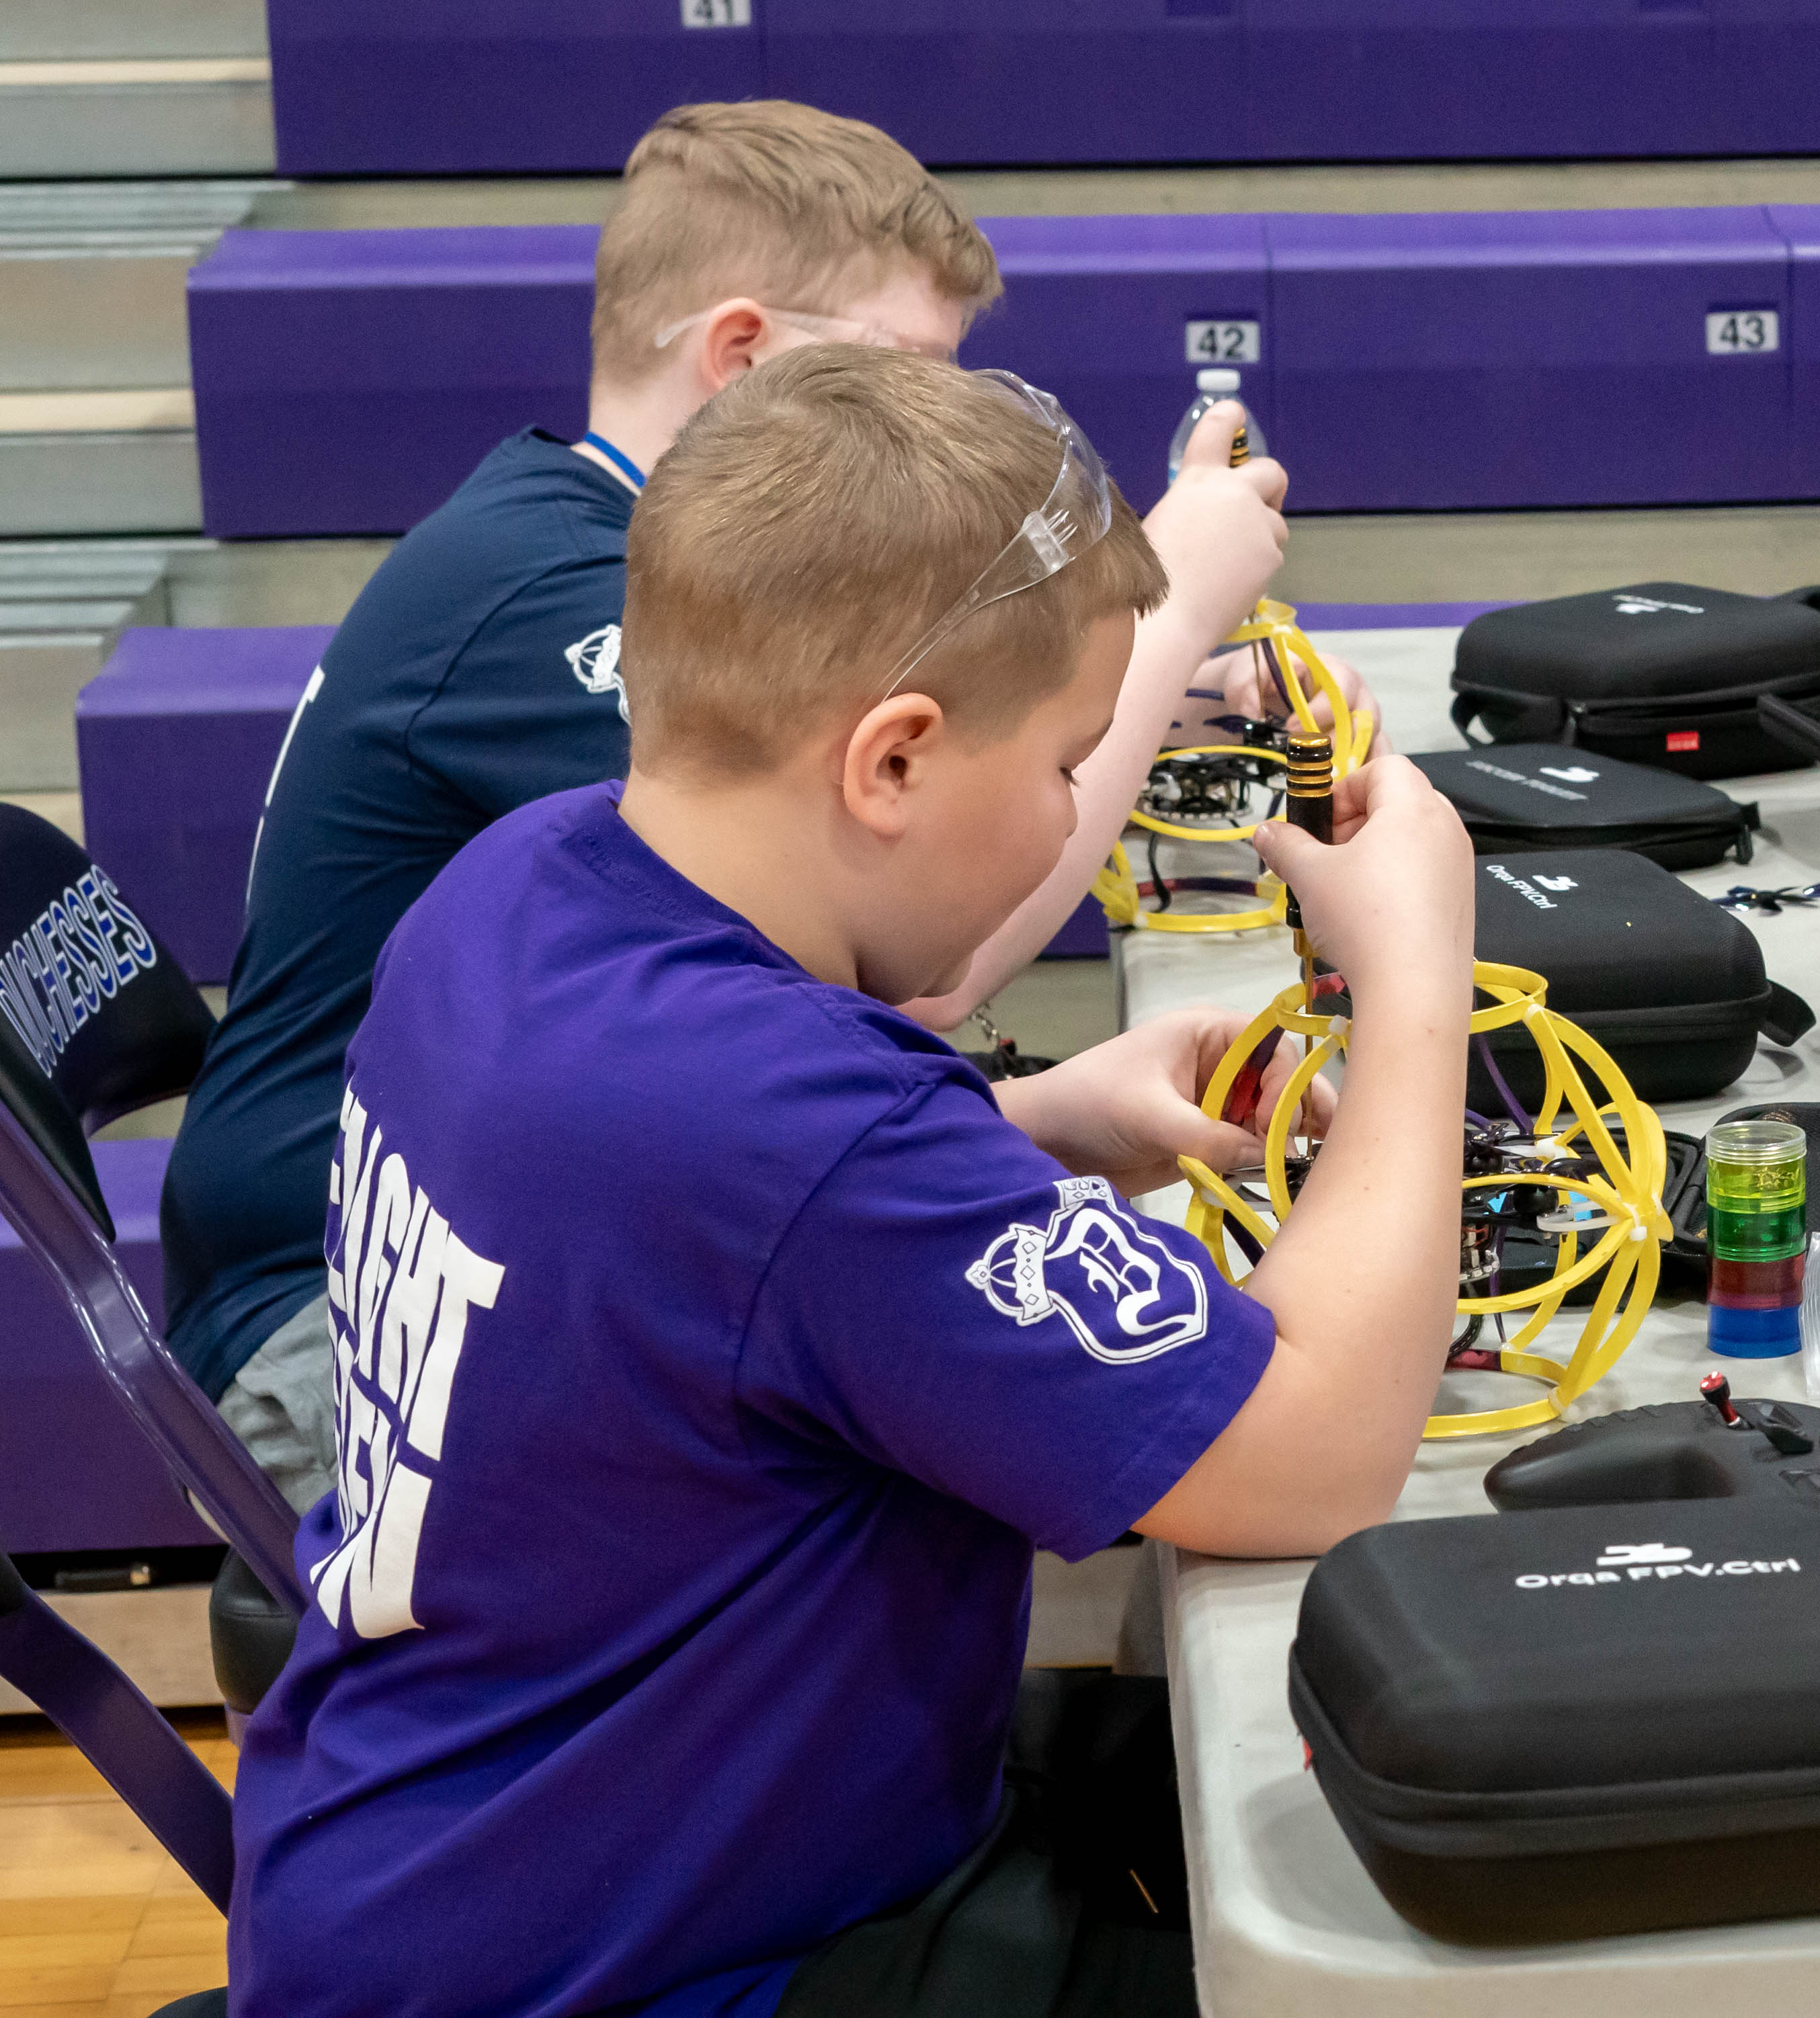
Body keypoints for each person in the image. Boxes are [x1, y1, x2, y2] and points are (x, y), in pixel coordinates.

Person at [229, 348, 1477, 2018]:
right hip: (658, 1974)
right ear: (889, 759)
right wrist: (1417, 973)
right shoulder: (799, 1137)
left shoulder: (510, 884)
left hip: (426, 1875)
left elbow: (659, 1253)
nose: (1068, 824)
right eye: (1064, 763)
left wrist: (1018, 1125)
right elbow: (1318, 1457)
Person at [162, 99, 1293, 1506]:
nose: (932, 422)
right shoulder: (551, 596)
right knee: (992, 1400)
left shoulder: (568, 544)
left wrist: (1126, 695)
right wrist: (1170, 605)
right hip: (335, 1311)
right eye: (908, 372)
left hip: (510, 1235)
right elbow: (924, 971)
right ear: (744, 355)